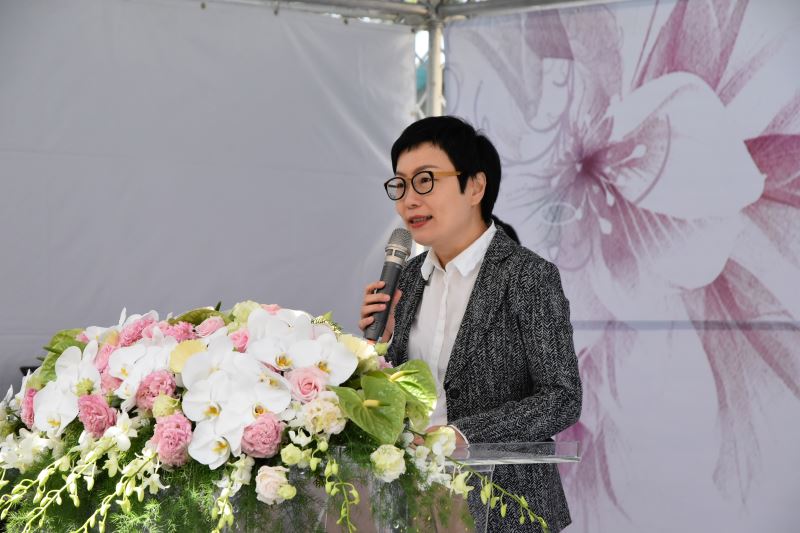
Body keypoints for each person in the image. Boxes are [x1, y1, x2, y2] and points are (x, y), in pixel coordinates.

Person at [359, 116, 581, 532]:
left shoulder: (527, 276)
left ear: (475, 187)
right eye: (400, 185)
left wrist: (462, 434)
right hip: (416, 502)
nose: (409, 200)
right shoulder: (405, 280)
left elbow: (562, 397)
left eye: (425, 181)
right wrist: (378, 350)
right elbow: (398, 401)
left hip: (508, 510)